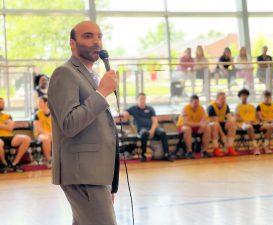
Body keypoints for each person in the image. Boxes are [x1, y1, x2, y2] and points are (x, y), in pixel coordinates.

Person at [48, 21, 119, 225]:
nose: (96, 41)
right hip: (83, 174)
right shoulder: (65, 73)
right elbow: (69, 124)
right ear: (72, 43)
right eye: (88, 36)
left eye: (99, 36)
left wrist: (110, 183)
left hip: (96, 173)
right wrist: (102, 93)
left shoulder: (90, 75)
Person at [123, 93, 175, 162]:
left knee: (162, 132)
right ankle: (143, 155)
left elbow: (155, 120)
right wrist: (125, 113)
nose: (142, 100)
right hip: (142, 129)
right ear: (137, 100)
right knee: (144, 133)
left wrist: (152, 130)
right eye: (141, 99)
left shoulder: (150, 109)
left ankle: (166, 154)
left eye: (144, 99)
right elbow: (124, 111)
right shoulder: (133, 109)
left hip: (152, 128)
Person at [235, 89, 272, 155]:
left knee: (269, 127)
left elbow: (257, 116)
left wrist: (256, 120)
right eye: (242, 95)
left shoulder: (252, 106)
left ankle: (265, 145)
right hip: (243, 124)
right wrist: (246, 121)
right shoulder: (238, 106)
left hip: (254, 122)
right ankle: (255, 147)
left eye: (246, 95)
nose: (244, 97)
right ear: (239, 97)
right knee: (249, 127)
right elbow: (237, 117)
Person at [0, 97, 31, 173]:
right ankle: (4, 163)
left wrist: (2, 125)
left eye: (3, 103)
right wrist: (5, 124)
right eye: (1, 103)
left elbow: (10, 127)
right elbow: (8, 126)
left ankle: (15, 163)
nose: (3, 105)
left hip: (10, 136)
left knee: (26, 138)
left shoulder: (7, 116)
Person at [176, 95, 212, 159]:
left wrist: (203, 125)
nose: (197, 105)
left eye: (198, 103)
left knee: (208, 128)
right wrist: (199, 124)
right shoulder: (185, 108)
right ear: (190, 103)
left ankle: (204, 151)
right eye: (195, 103)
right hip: (183, 126)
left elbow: (207, 119)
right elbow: (185, 123)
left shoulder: (200, 108)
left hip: (196, 126)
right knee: (187, 129)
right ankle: (189, 151)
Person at [207, 92, 238, 157]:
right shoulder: (211, 107)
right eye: (222, 99)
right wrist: (223, 135)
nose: (223, 101)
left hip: (221, 123)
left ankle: (229, 148)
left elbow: (230, 118)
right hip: (211, 125)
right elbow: (216, 122)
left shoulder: (226, 106)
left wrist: (231, 121)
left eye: (224, 99)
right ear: (217, 99)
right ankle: (216, 149)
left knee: (232, 122)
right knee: (215, 125)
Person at [34, 96, 52, 168]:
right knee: (46, 139)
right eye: (38, 103)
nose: (38, 104)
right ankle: (49, 160)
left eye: (40, 102)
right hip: (41, 134)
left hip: (51, 134)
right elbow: (38, 128)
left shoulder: (53, 113)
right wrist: (48, 134)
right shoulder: (37, 114)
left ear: (46, 103)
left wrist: (52, 134)